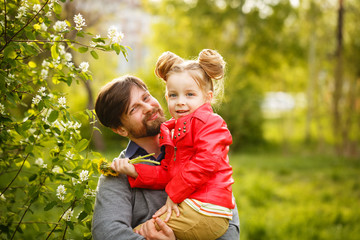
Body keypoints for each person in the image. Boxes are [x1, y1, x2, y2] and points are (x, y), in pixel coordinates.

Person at [92, 75, 240, 240]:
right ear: (121, 130)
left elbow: (229, 229)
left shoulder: (198, 149)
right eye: (134, 109)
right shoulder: (118, 173)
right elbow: (107, 234)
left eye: (146, 97)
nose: (148, 107)